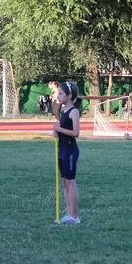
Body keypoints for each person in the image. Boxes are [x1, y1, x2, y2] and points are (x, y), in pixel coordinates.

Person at [53, 81, 82, 224]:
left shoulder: (74, 111)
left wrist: (59, 129)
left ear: (69, 95)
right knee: (65, 182)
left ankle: (74, 216)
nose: (57, 96)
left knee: (70, 183)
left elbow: (76, 133)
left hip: (70, 150)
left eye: (60, 94)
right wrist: (56, 132)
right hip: (62, 149)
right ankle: (68, 213)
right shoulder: (63, 111)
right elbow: (62, 130)